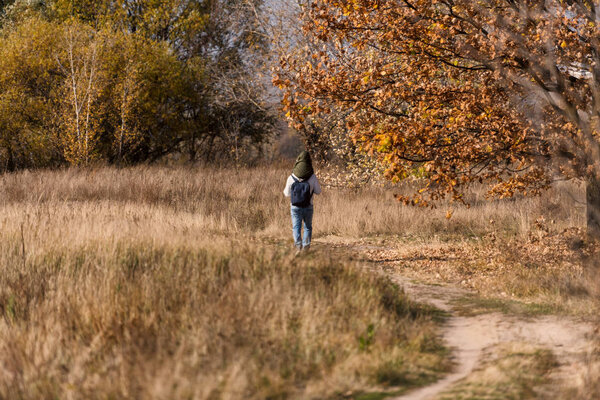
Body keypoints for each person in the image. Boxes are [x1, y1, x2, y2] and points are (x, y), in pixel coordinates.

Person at [283, 151, 321, 251]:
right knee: (308, 227)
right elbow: (318, 191)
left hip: (295, 207)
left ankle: (298, 246)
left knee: (296, 227)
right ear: (309, 162)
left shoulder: (291, 177)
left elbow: (286, 194)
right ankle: (306, 247)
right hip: (308, 206)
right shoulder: (312, 177)